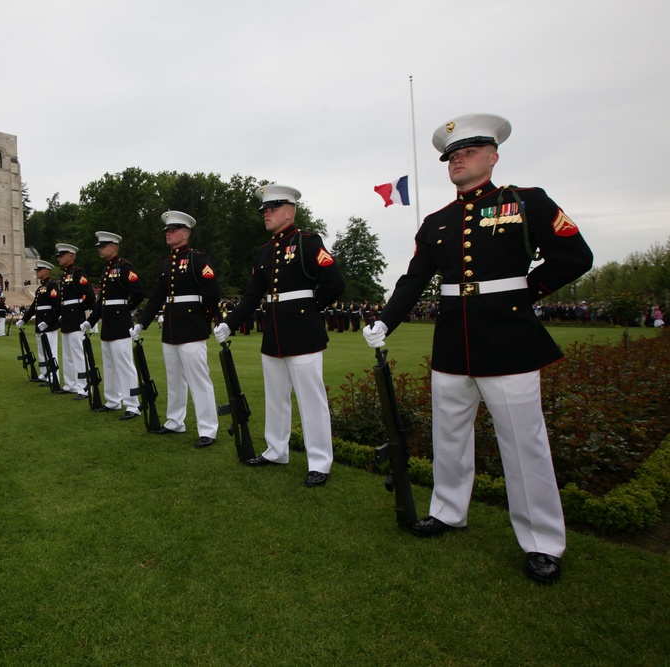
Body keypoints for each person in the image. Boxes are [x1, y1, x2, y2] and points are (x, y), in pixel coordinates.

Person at [362, 113, 593, 584]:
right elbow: (414, 279)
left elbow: (575, 257)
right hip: (452, 340)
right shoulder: (437, 222)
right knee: (449, 434)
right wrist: (386, 319)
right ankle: (448, 511)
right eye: (451, 156)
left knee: (524, 444)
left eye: (467, 153)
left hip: (509, 339)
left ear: (493, 156)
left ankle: (541, 541)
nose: (457, 161)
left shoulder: (525, 203)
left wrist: (526, 292)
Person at [213, 185, 345, 487]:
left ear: (290, 211)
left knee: (311, 400)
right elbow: (251, 296)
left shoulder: (309, 243)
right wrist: (231, 322)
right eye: (264, 210)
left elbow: (334, 283)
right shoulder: (263, 252)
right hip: (274, 333)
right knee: (275, 398)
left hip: (303, 332)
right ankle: (276, 450)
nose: (266, 214)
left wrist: (312, 307)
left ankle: (320, 462)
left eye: (272, 209)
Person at [134, 211, 221, 448]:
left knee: (199, 379)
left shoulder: (197, 259)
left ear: (185, 233)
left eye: (172, 230)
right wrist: (142, 322)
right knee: (174, 379)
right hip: (171, 327)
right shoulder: (165, 264)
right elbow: (156, 298)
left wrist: (205, 320)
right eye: (166, 231)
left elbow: (212, 292)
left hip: (192, 326)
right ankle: (175, 421)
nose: (168, 234)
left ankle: (208, 429)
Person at [81, 231, 147, 420]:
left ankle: (133, 405)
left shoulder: (125, 268)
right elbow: (102, 301)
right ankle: (112, 400)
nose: (100, 249)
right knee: (109, 364)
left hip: (119, 322)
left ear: (114, 247)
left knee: (125, 364)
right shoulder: (106, 271)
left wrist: (127, 308)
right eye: (99, 246)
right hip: (108, 324)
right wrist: (90, 321)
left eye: (103, 246)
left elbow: (140, 291)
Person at [55, 243, 96, 399]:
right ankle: (70, 384)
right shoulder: (65, 275)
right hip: (66, 318)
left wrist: (81, 308)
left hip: (75, 318)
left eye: (62, 255)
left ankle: (83, 387)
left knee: (78, 354)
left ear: (71, 256)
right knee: (67, 355)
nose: (59, 258)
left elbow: (90, 295)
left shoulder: (78, 273)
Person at [15, 260, 61, 385]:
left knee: (50, 351)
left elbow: (57, 306)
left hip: (48, 324)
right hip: (40, 323)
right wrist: (23, 319)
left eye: (39, 270)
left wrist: (48, 322)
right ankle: (44, 373)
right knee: (42, 351)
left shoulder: (52, 286)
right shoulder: (40, 288)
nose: (37, 273)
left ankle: (53, 376)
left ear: (46, 271)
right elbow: (34, 307)